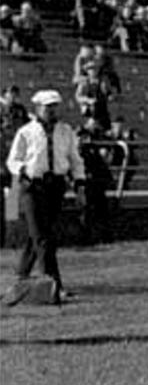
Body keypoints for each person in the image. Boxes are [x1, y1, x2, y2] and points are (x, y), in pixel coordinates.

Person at [3, 90, 86, 304]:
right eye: (47, 106)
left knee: (38, 235)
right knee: (43, 237)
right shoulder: (26, 131)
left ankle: (21, 278)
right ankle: (55, 285)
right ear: (38, 107)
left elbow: (75, 159)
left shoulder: (66, 131)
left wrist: (79, 184)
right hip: (33, 186)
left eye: (55, 106)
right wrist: (24, 171)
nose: (52, 110)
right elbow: (13, 160)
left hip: (55, 186)